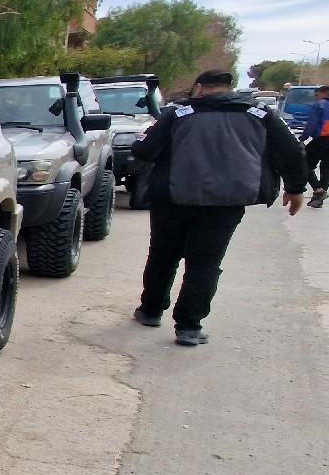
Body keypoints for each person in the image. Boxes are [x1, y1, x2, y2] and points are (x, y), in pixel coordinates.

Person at [130, 70, 308, 346]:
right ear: (229, 89)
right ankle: (189, 327)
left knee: (163, 255)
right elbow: (292, 151)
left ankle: (151, 311)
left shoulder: (178, 114)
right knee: (205, 262)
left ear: (199, 88)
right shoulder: (259, 115)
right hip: (227, 203)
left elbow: (143, 151)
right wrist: (295, 189)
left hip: (174, 200)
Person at [301, 85, 329, 208]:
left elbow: (311, 125)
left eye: (316, 95)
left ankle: (317, 189)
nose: (315, 98)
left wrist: (302, 139)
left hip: (321, 140)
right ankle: (318, 199)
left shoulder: (320, 105)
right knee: (326, 170)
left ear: (323, 93)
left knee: (302, 163)